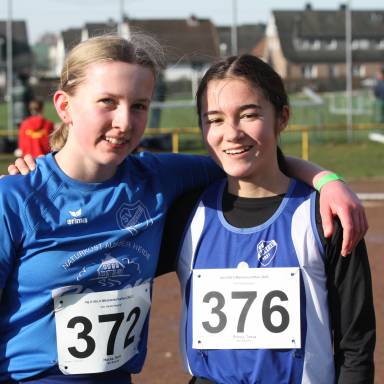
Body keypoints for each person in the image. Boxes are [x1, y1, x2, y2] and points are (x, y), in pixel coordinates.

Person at [2, 34, 367, 383]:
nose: (125, 121)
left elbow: (250, 158)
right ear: (64, 106)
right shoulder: (15, 198)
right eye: (107, 102)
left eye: (139, 105)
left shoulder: (161, 179)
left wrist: (325, 180)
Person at [157, 55, 375, 384]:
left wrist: (327, 182)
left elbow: (355, 345)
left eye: (249, 115)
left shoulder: (325, 216)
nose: (231, 133)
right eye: (214, 119)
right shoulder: (185, 215)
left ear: (282, 117)